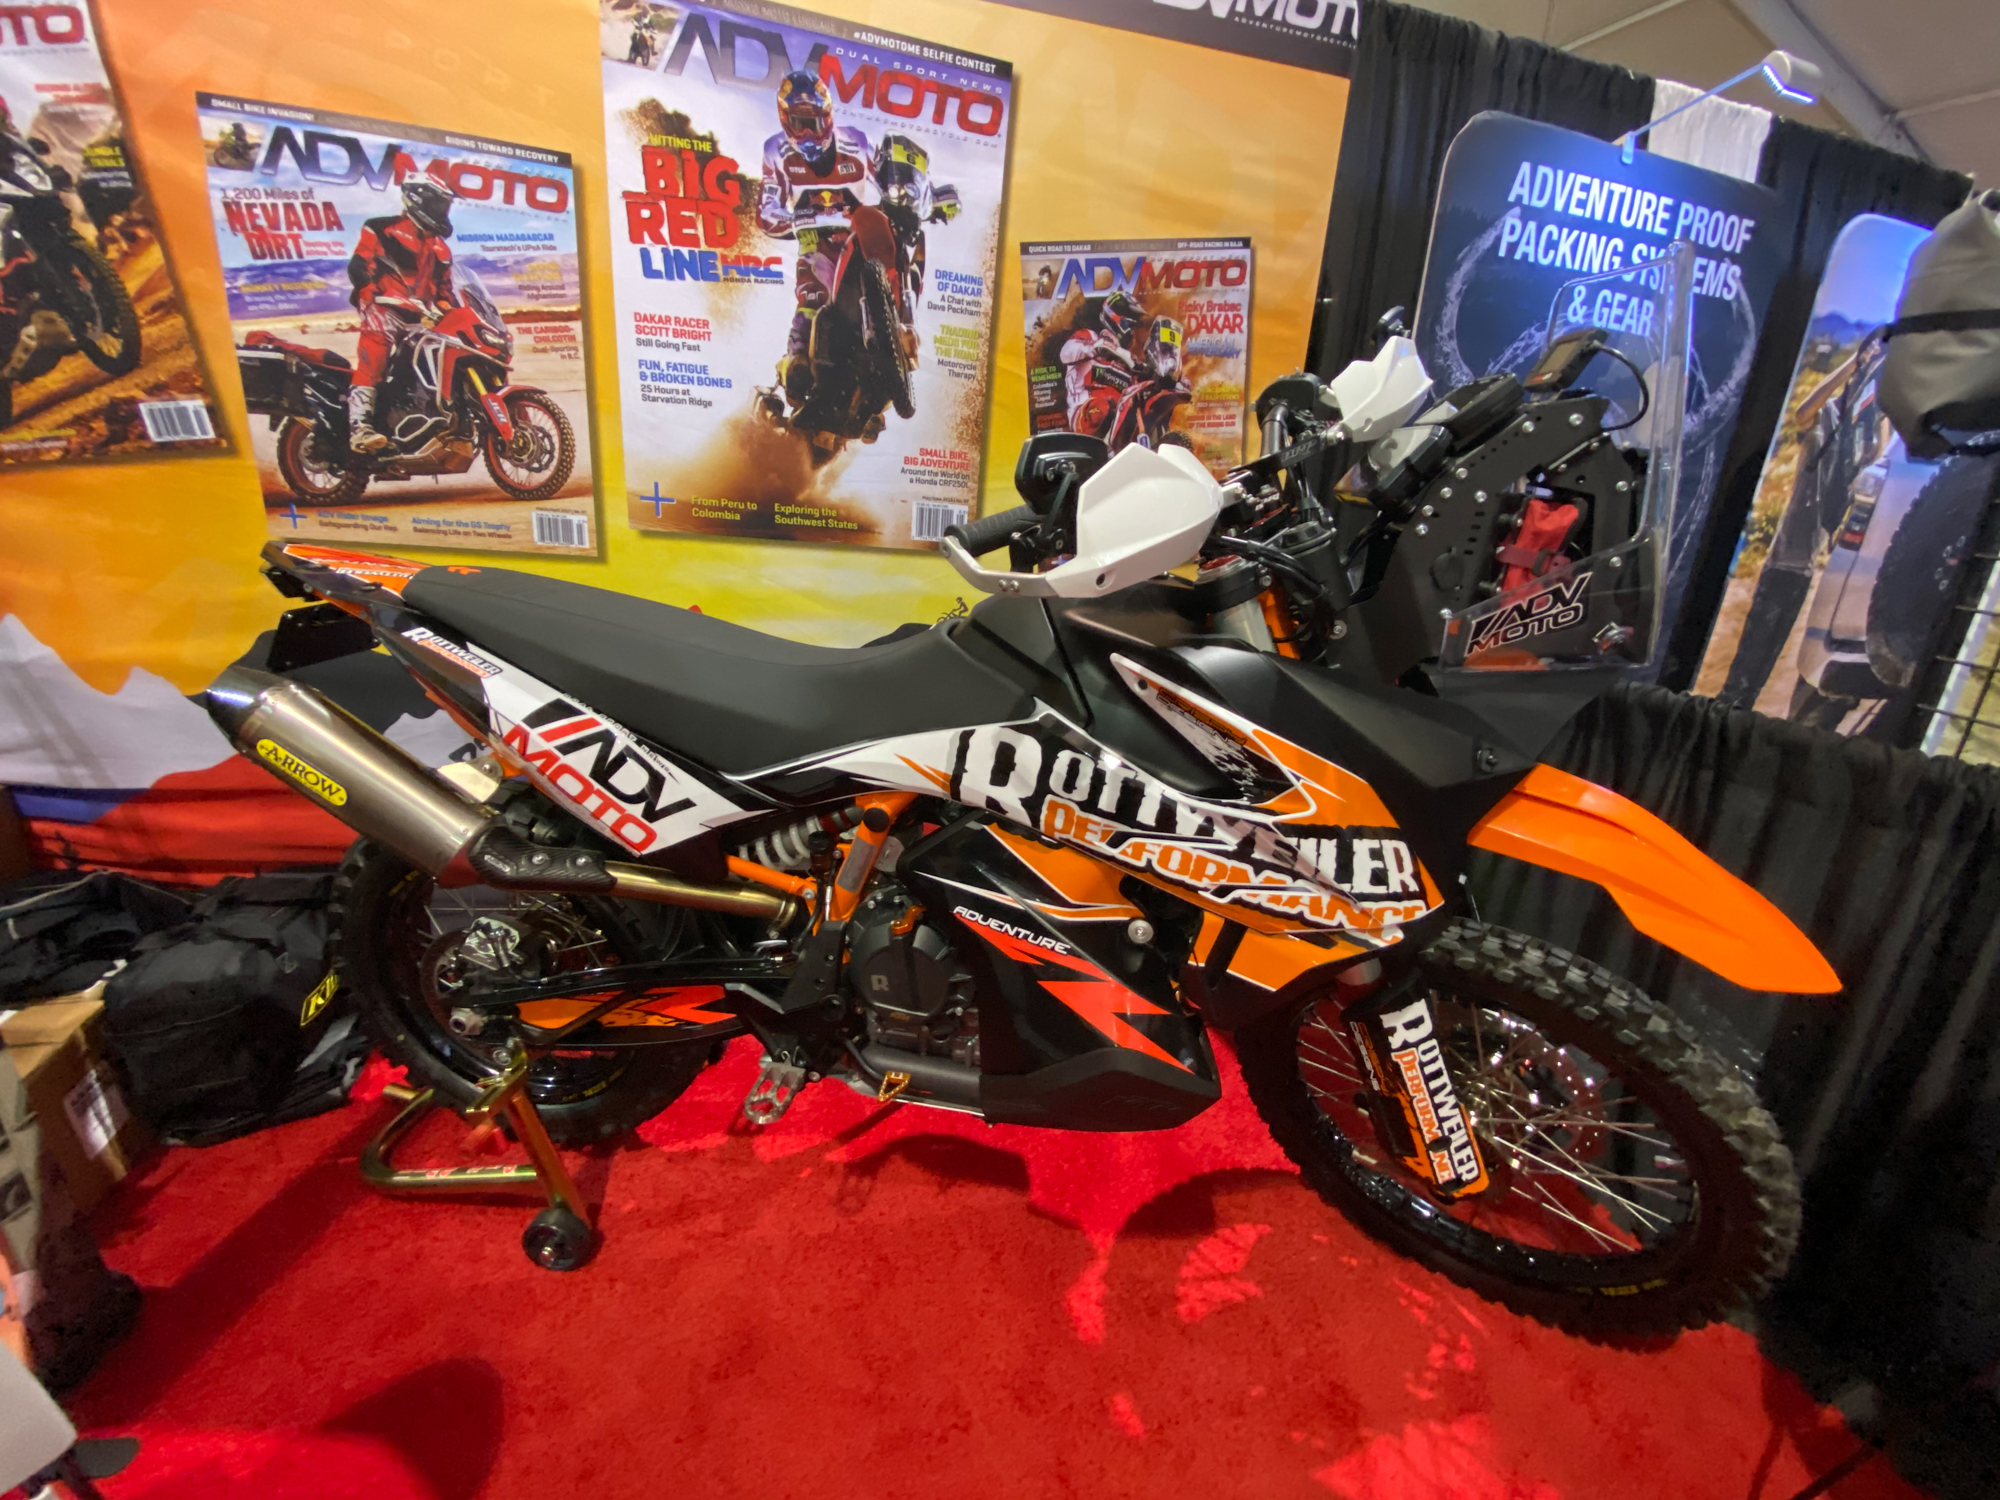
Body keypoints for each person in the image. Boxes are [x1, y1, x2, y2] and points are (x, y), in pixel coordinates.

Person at [757, 69, 877, 412]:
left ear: (829, 115)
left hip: (860, 237)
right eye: (800, 123)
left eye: (815, 121)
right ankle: (796, 361)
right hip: (815, 240)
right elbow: (766, 211)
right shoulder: (776, 152)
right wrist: (800, 219)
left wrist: (921, 194)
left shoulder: (858, 144)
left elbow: (891, 184)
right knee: (814, 295)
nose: (809, 132)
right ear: (786, 120)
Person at [343, 174, 458, 454]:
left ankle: (426, 415)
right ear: (418, 200)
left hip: (418, 316)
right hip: (383, 306)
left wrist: (455, 313)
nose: (443, 211)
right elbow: (359, 264)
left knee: (444, 353)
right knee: (377, 349)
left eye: (445, 205)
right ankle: (360, 427)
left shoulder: (441, 249)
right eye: (439, 204)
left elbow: (445, 292)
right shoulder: (381, 228)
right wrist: (370, 292)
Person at [1061, 290, 1143, 439]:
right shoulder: (1089, 337)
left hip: (1117, 417)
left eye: (1133, 327)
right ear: (1115, 319)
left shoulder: (1126, 361)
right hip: (1085, 412)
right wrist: (1092, 348)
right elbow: (1065, 353)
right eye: (1128, 325)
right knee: (1102, 408)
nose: (1131, 332)